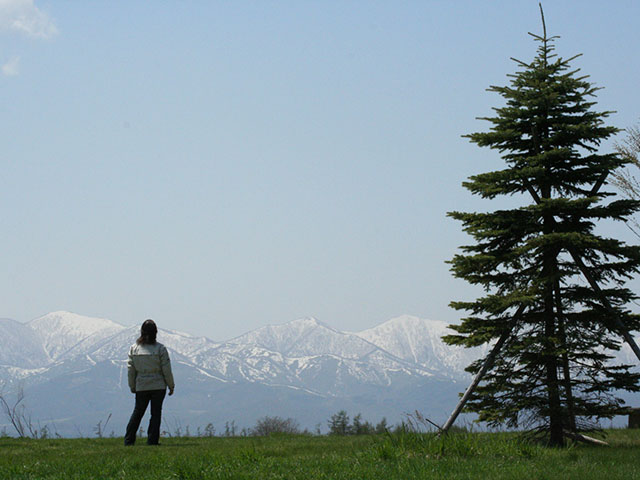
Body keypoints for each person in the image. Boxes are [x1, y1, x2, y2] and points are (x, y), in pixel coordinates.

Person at [124, 319, 175, 446]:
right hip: (158, 385)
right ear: (155, 333)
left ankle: (129, 440)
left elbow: (131, 370)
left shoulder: (134, 349)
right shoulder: (160, 349)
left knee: (137, 412)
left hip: (141, 385)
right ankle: (152, 440)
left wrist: (132, 385)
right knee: (156, 413)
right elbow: (166, 369)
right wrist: (171, 385)